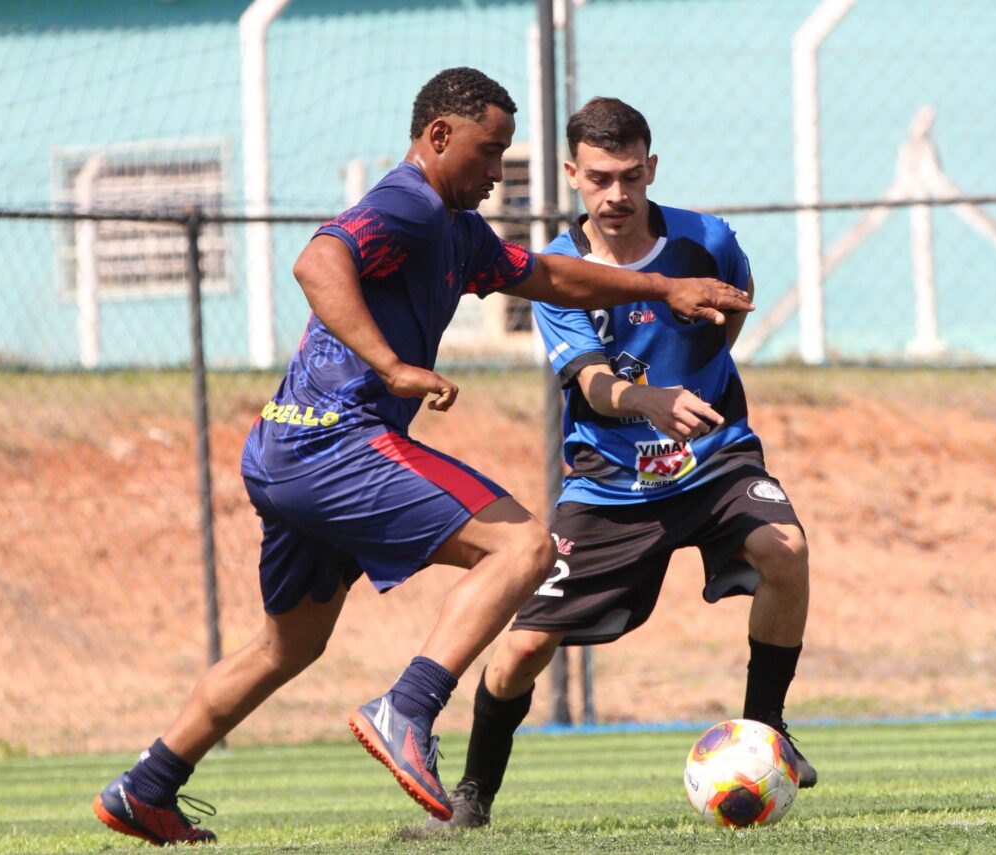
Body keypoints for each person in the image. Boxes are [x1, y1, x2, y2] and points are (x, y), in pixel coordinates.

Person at [91, 72, 753, 846]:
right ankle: (408, 705)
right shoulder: (410, 201)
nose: (498, 170)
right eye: (489, 150)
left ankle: (147, 785)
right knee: (523, 545)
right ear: (439, 136)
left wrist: (661, 287)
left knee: (288, 644)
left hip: (283, 450)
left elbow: (547, 276)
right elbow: (317, 261)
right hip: (336, 441)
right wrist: (392, 365)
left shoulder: (460, 232)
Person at [427, 96, 815, 832]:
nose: (617, 195)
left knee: (785, 548)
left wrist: (702, 379)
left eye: (631, 176)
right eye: (600, 178)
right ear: (573, 174)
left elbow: (735, 305)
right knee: (523, 648)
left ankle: (767, 729)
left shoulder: (708, 240)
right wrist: (652, 400)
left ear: (652, 169)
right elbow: (593, 385)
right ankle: (471, 798)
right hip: (609, 486)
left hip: (716, 462)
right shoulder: (556, 271)